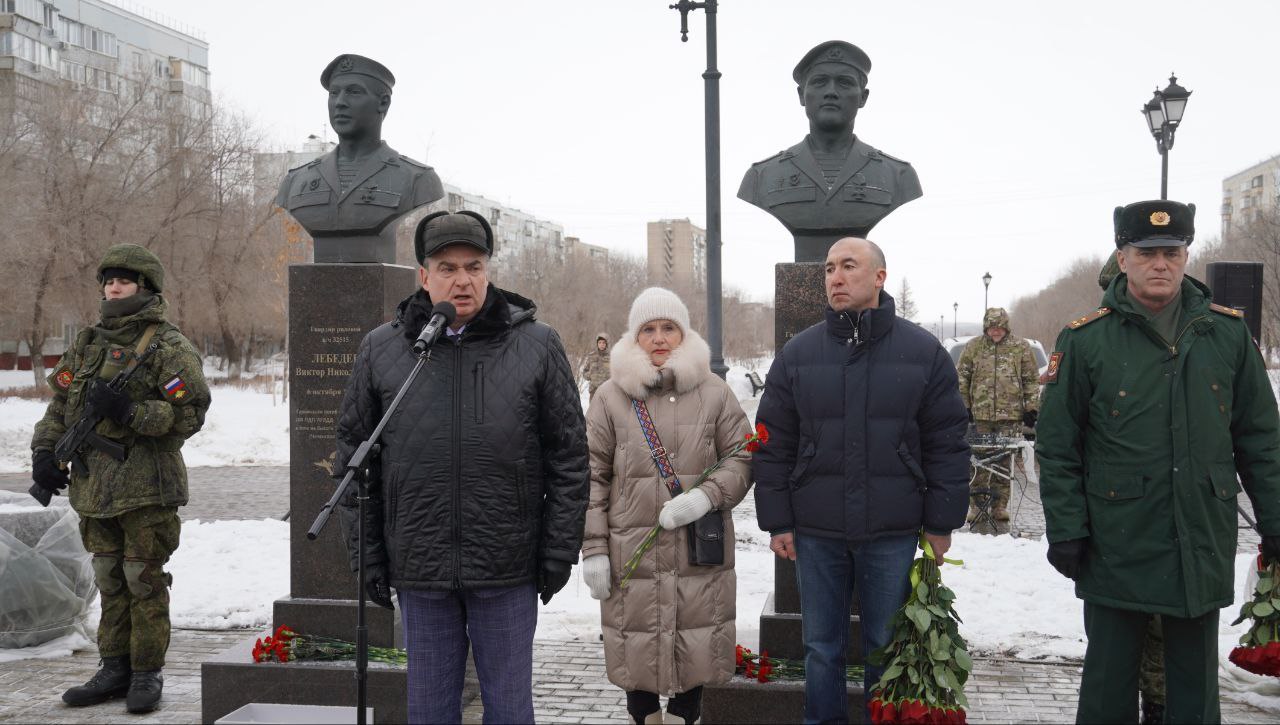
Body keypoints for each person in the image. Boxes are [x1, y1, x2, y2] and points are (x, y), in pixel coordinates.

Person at [334, 210, 589, 723]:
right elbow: (354, 458)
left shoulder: (537, 344)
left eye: (474, 266)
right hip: (421, 566)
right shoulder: (382, 349)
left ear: (489, 271)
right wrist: (369, 555)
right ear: (424, 277)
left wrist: (558, 549)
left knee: (510, 708)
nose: (462, 279)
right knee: (428, 709)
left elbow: (569, 458)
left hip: (507, 564)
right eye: (447, 267)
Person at [1037, 199, 1280, 723]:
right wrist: (1067, 529)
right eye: (1145, 253)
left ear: (1186, 255)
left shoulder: (1227, 334)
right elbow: (1058, 448)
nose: (1160, 263)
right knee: (1108, 686)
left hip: (1199, 535)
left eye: (1171, 251)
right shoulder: (1086, 340)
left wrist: (1276, 521)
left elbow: (1261, 440)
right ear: (1122, 258)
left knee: (1194, 690)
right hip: (1115, 538)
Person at [753, 237, 970, 722]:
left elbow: (947, 444)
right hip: (817, 530)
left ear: (879, 277)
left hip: (890, 531)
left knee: (884, 648)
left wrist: (941, 522)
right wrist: (778, 521)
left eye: (848, 266)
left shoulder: (923, 352)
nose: (835, 276)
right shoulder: (798, 353)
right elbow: (771, 443)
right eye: (829, 268)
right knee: (821, 650)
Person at [29, 244, 210, 714]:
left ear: (145, 288)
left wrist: (132, 412)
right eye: (108, 280)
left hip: (146, 488)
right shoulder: (87, 343)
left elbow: (190, 414)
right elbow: (59, 407)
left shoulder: (167, 346)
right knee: (109, 579)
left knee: (143, 581)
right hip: (95, 489)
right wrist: (45, 451)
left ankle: (147, 673)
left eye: (124, 281)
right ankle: (113, 668)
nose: (113, 287)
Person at [580, 287, 752, 725]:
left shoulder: (715, 393)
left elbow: (744, 456)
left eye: (669, 328)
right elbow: (591, 477)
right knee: (635, 648)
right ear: (634, 337)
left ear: (683, 333)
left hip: (698, 550)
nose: (659, 338)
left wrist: (705, 496)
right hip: (630, 551)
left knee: (695, 641)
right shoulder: (609, 398)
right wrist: (594, 549)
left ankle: (683, 715)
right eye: (649, 329)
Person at [737, 41, 923, 263]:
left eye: (844, 83)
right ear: (801, 95)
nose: (831, 92)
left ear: (863, 97)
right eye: (819, 82)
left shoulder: (899, 176)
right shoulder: (762, 177)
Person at [277, 54, 443, 263]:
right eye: (334, 93)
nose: (340, 103)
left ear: (383, 103)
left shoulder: (417, 180)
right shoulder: (295, 182)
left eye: (354, 92)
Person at [955, 307, 1040, 522]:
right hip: (980, 417)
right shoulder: (973, 347)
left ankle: (1000, 507)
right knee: (979, 463)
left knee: (1003, 463)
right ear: (986, 328)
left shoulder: (1020, 347)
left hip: (1010, 417)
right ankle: (977, 506)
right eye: (991, 328)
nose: (995, 332)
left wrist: (1031, 408)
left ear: (1006, 328)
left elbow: (1031, 379)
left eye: (999, 328)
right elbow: (961, 379)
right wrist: (964, 407)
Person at [581, 332, 611, 399]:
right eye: (599, 342)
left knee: (606, 409)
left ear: (607, 344)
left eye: (603, 343)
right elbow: (584, 371)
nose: (601, 345)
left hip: (607, 390)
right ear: (597, 344)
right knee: (594, 409)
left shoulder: (611, 357)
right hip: (593, 390)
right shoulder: (591, 356)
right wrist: (591, 375)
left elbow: (616, 373)